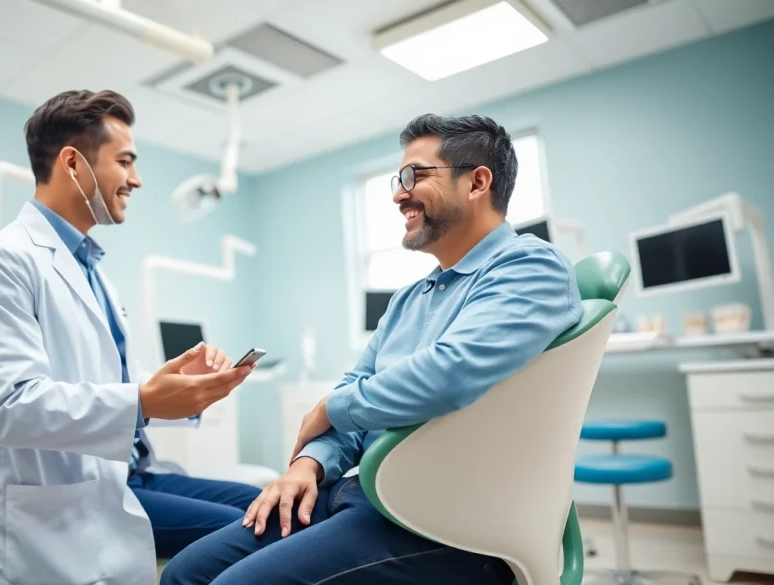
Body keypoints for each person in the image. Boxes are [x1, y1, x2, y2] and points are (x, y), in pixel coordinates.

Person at [160, 113, 585, 585]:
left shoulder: (530, 266)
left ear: (477, 182)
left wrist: (330, 407)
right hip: (367, 495)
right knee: (186, 573)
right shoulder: (409, 299)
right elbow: (356, 393)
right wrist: (310, 463)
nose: (398, 193)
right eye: (396, 179)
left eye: (414, 176)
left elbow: (449, 375)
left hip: (453, 524)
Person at [0, 89, 259, 585]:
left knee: (274, 499)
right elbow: (11, 407)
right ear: (72, 163)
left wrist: (175, 386)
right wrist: (145, 402)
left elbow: (97, 382)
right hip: (49, 502)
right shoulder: (1, 262)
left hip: (122, 472)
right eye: (125, 161)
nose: (136, 179)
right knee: (265, 530)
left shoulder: (90, 266)